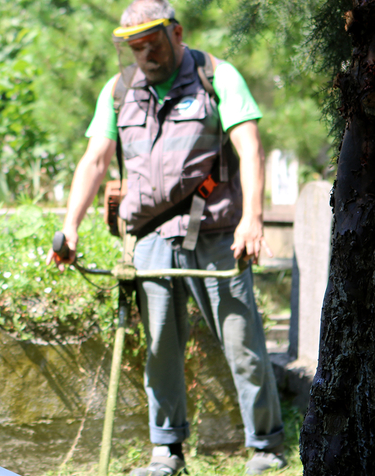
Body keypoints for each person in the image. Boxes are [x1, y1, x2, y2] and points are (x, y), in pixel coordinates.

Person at [46, 1, 287, 474]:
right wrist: (69, 225)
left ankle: (265, 446)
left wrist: (252, 219)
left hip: (216, 229)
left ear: (177, 34)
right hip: (151, 234)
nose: (146, 56)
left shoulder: (216, 77)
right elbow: (96, 160)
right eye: (136, 48)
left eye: (153, 44)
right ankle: (167, 450)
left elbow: (250, 148)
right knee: (160, 345)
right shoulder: (118, 91)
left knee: (242, 341)